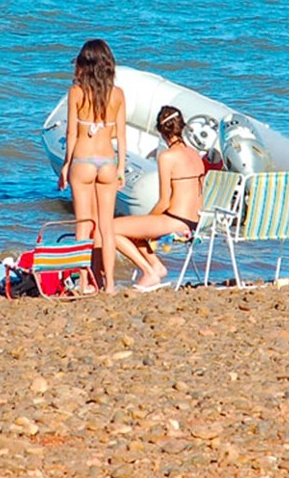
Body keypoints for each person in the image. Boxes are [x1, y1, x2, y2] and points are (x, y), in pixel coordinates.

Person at [60, 39, 127, 294]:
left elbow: (71, 133)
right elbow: (121, 135)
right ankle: (109, 284)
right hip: (108, 162)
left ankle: (85, 282)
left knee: (83, 224)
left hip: (83, 162)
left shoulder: (76, 92)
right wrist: (121, 167)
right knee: (106, 226)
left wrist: (66, 165)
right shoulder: (117, 94)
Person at [113, 106, 204, 291]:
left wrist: (148, 220)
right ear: (182, 126)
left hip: (176, 221)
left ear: (162, 132)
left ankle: (149, 271)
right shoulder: (195, 154)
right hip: (194, 222)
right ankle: (156, 267)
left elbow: (164, 201)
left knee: (111, 228)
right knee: (135, 227)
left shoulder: (167, 157)